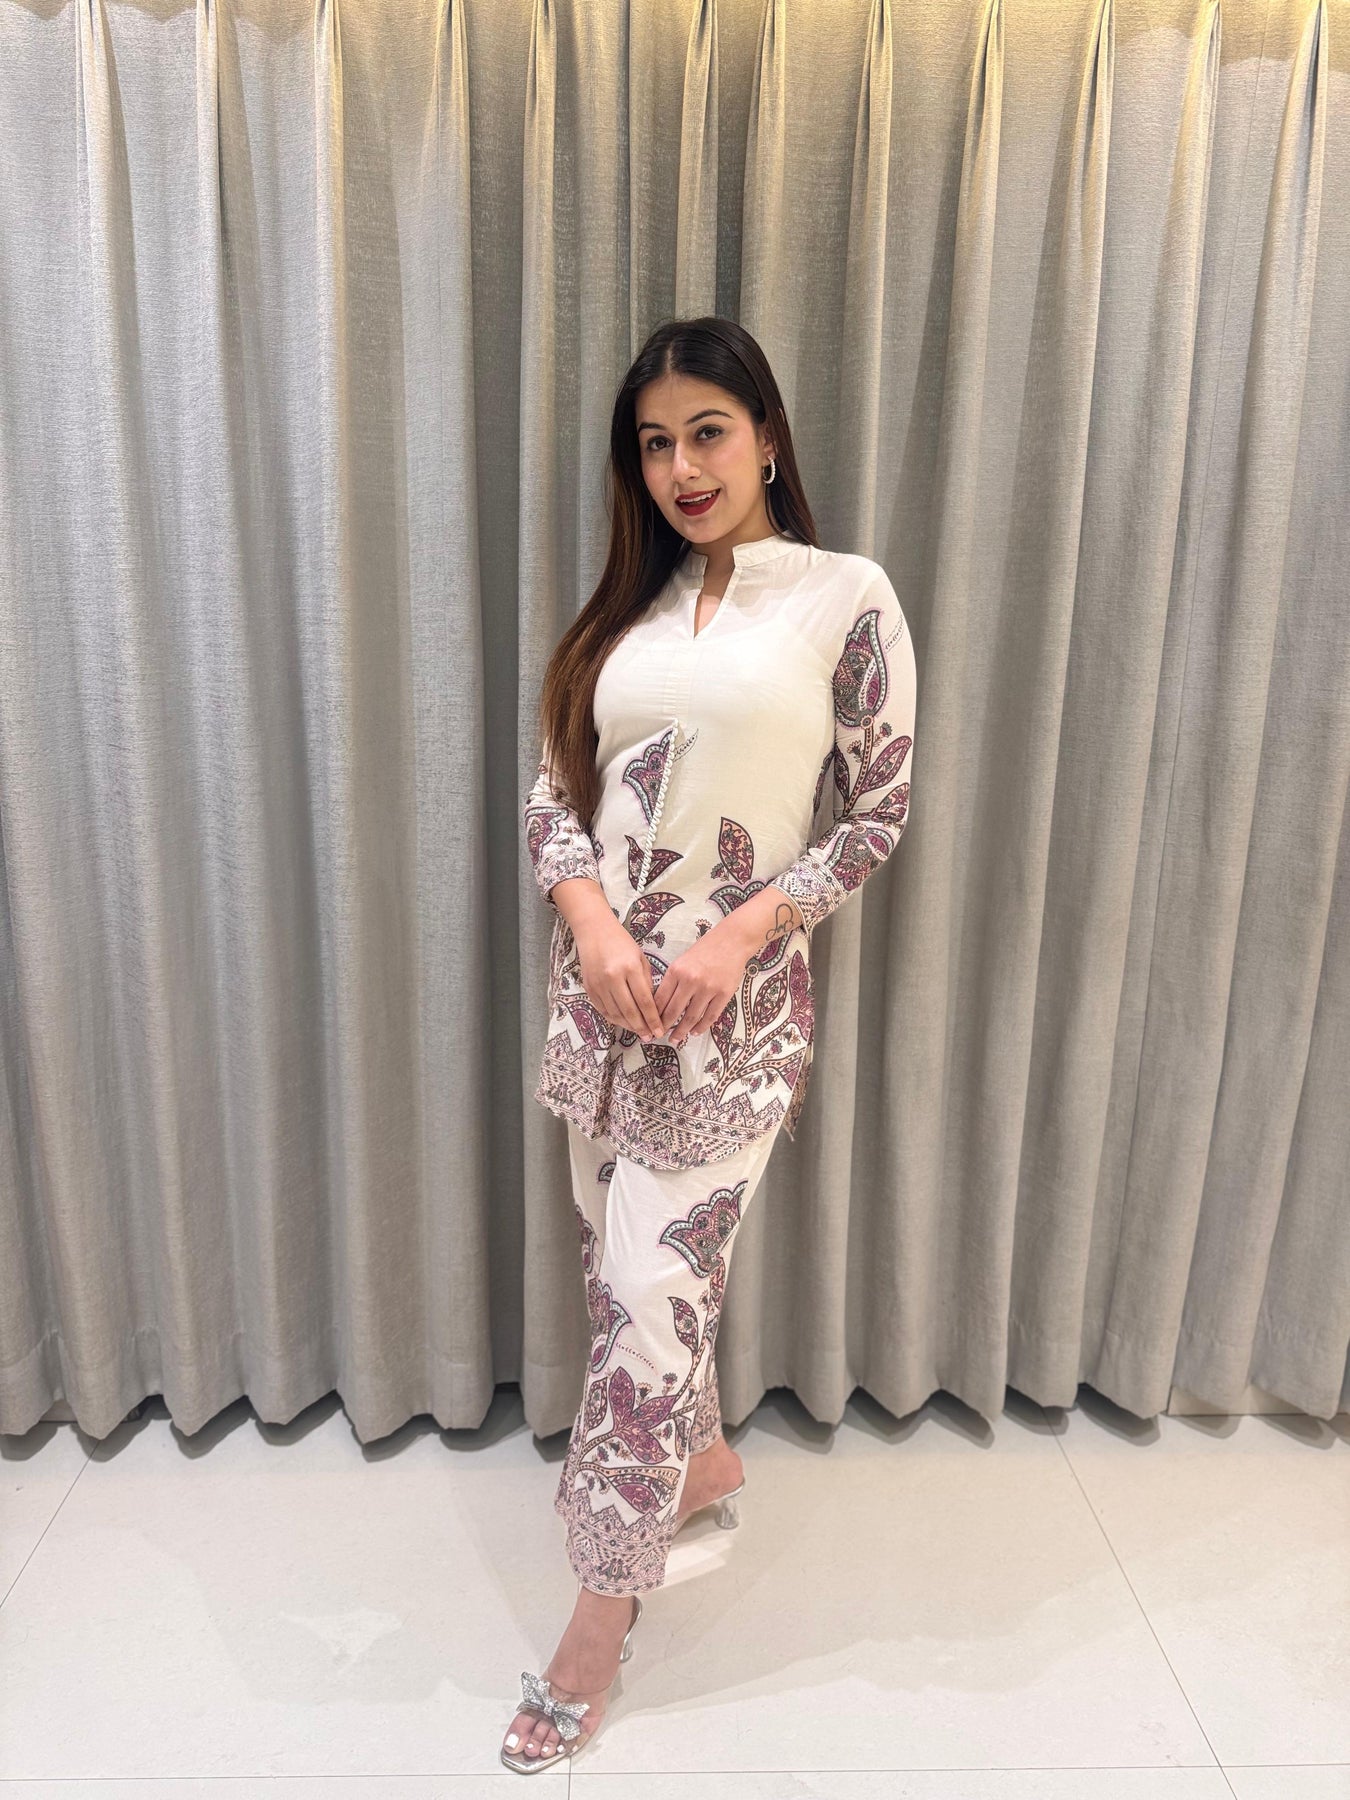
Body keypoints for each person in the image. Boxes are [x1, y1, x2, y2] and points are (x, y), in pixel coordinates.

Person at [503, 315, 917, 1773]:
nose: (681, 467)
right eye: (654, 443)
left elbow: (877, 810)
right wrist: (591, 926)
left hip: (729, 1029)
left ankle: (598, 1619)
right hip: (601, 1015)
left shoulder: (843, 597)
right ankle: (702, 1458)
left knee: (645, 1306)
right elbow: (554, 795)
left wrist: (741, 932)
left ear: (767, 438)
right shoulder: (625, 615)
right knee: (612, 1272)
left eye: (707, 433)